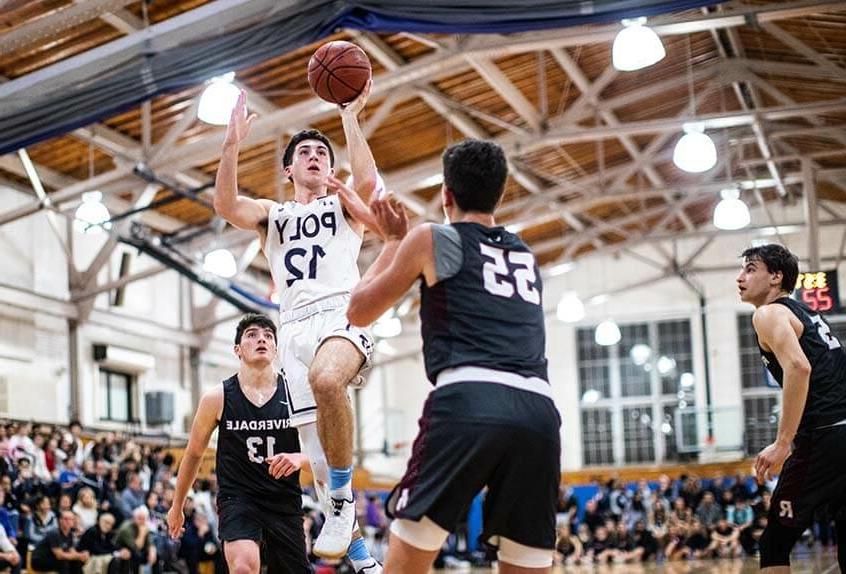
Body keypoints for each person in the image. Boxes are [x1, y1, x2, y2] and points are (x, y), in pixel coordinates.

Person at [345, 139, 562, 573]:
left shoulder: (432, 237)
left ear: (446, 194)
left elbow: (359, 310)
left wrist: (391, 240)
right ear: (500, 195)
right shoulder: (524, 254)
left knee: (407, 560)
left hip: (468, 400)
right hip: (539, 413)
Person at [212, 81, 383, 568]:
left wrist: (350, 119)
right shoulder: (274, 214)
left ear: (330, 167)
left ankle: (345, 500)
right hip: (294, 329)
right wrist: (230, 146)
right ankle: (360, 556)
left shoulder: (343, 206)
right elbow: (227, 205)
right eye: (304, 152)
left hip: (340, 315)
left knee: (328, 379)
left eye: (321, 154)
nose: (313, 157)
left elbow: (369, 187)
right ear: (289, 168)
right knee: (323, 461)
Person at [167, 314, 310, 573]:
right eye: (252, 335)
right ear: (237, 349)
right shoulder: (217, 397)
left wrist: (299, 458)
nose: (261, 339)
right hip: (238, 498)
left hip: (283, 499)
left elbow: (326, 452)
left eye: (268, 335)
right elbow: (193, 454)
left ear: (276, 349)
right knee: (244, 566)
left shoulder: (296, 393)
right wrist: (177, 507)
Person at [737, 243, 846, 572]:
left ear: (776, 276)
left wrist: (783, 442)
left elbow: (799, 368)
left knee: (774, 543)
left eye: (750, 269)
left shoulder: (768, 313)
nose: (740, 277)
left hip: (825, 436)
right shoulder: (807, 314)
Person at [30, 510, 89, 574]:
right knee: (63, 562)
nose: (68, 521)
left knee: (76, 562)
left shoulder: (70, 534)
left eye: (71, 519)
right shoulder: (54, 533)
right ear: (60, 520)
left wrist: (82, 555)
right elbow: (59, 555)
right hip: (40, 561)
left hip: (54, 559)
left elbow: (72, 551)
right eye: (65, 519)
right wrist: (79, 556)